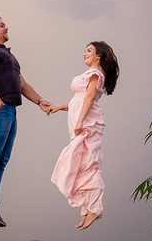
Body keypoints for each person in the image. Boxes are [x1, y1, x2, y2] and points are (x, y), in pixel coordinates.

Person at [0, 16, 52, 228]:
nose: (6, 27)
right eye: (1, 25)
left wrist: (40, 101)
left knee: (2, 159)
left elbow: (21, 83)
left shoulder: (9, 56)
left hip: (9, 110)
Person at [49, 41, 120, 230]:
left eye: (89, 50)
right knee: (81, 164)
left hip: (87, 123)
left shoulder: (95, 74)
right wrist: (59, 107)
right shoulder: (91, 74)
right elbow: (78, 101)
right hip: (81, 121)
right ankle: (87, 208)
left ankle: (94, 207)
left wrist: (80, 122)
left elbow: (89, 98)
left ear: (99, 56)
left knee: (89, 162)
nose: (84, 53)